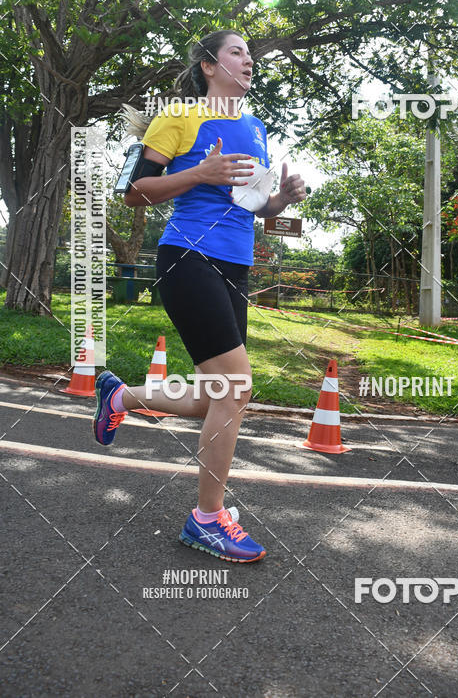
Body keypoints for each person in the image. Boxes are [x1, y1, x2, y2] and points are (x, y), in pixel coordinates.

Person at [93, 30, 307, 563]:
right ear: (210, 66)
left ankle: (119, 398)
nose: (249, 60)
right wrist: (199, 172)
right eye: (237, 52)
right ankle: (206, 519)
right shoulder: (180, 116)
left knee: (221, 395)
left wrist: (280, 198)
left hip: (235, 266)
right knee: (236, 386)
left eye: (250, 54)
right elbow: (134, 192)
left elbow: (256, 207)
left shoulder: (256, 128)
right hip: (188, 258)